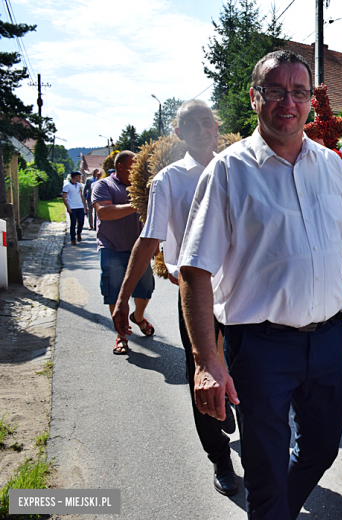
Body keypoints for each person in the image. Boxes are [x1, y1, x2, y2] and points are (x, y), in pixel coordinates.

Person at [177, 50, 342, 519]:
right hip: (259, 350)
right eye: (276, 90)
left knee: (322, 450)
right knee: (264, 476)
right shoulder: (228, 171)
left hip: (328, 342)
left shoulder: (332, 166)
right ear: (255, 97)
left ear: (310, 101)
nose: (289, 102)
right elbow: (194, 271)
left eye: (299, 92)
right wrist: (206, 362)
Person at [111, 100, 238, 496]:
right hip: (197, 296)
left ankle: (237, 417)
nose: (203, 129)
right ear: (179, 133)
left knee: (247, 371)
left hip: (241, 295)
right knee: (200, 371)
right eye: (192, 125)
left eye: (208, 122)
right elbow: (149, 240)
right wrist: (122, 299)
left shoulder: (238, 169)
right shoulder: (168, 181)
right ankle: (220, 457)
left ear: (216, 127)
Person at [92, 150, 155, 355]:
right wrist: (136, 204)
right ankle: (121, 336)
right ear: (120, 166)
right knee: (114, 292)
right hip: (112, 246)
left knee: (145, 290)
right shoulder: (103, 185)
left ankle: (138, 316)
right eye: (133, 167)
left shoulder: (141, 186)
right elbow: (104, 212)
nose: (138, 171)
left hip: (140, 249)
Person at [62, 171, 87, 245]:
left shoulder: (79, 185)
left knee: (81, 222)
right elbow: (64, 197)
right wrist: (68, 207)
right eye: (79, 176)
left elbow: (81, 196)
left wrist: (85, 206)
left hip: (80, 206)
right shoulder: (67, 185)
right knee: (73, 223)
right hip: (72, 207)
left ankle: (79, 232)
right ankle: (73, 238)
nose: (80, 178)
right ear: (75, 177)